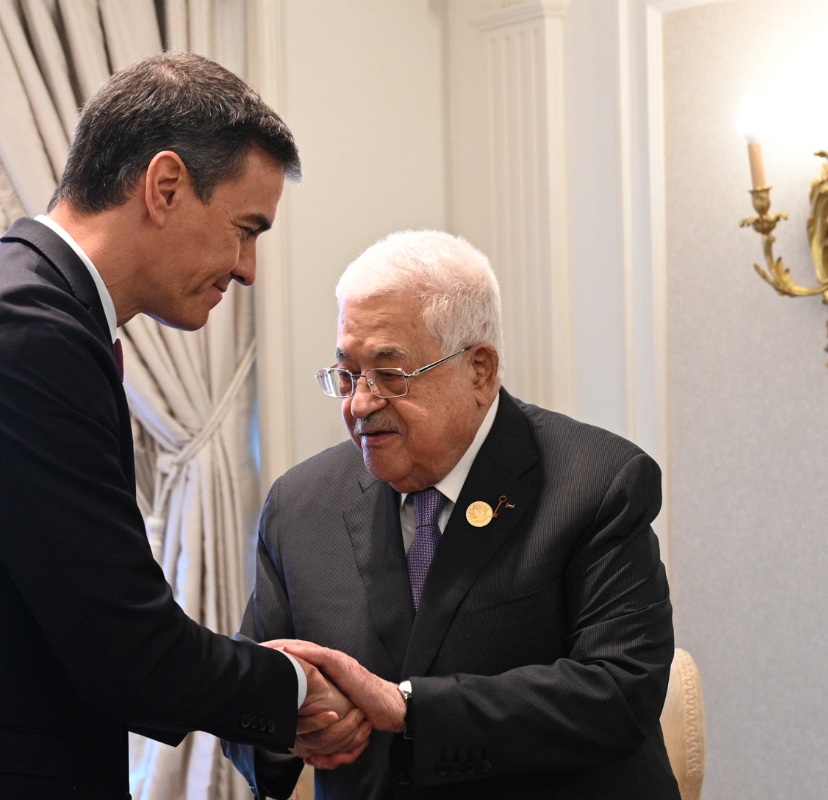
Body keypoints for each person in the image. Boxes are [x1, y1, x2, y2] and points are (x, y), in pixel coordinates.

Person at [0, 53, 365, 800]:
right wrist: (294, 689)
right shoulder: (23, 331)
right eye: (244, 229)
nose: (248, 268)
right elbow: (128, 651)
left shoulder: (23, 309)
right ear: (165, 187)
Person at [223, 231, 680, 800]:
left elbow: (619, 693)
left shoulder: (598, 482)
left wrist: (408, 708)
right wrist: (289, 724)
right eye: (347, 374)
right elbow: (252, 699)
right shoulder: (300, 505)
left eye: (389, 375)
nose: (360, 403)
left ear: (479, 370)